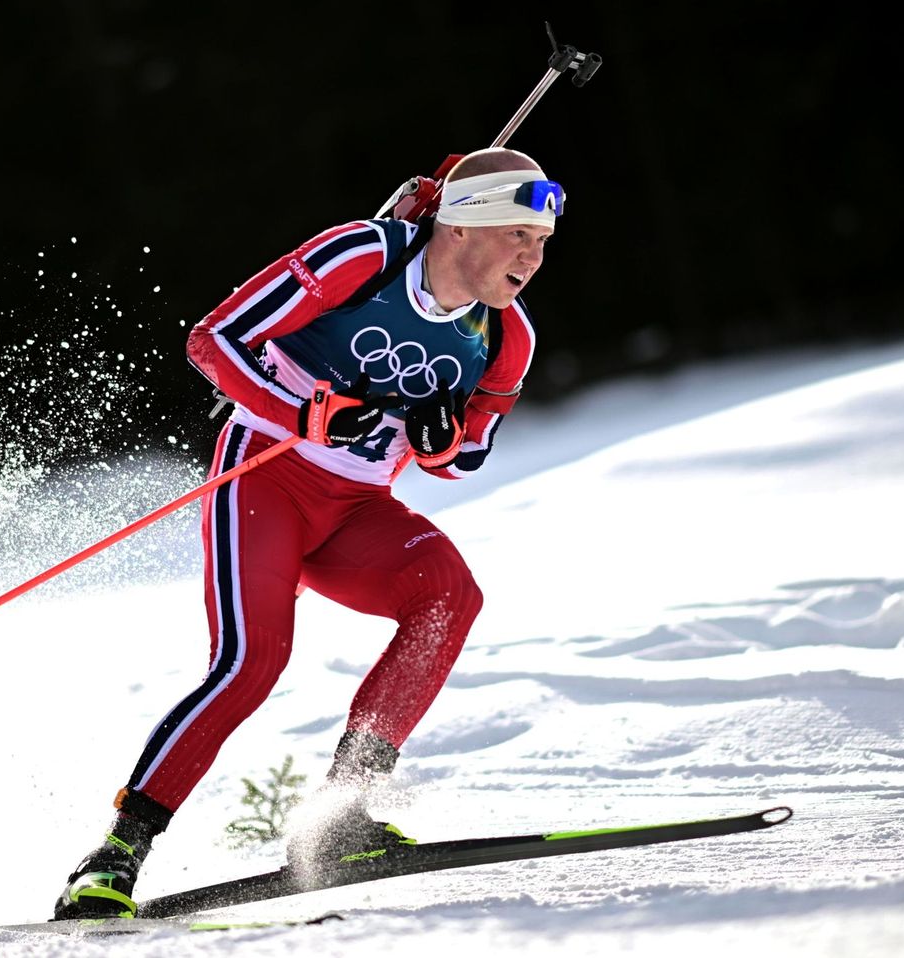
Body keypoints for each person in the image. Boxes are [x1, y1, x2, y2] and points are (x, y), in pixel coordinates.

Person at [52, 146, 560, 918]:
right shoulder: (364, 255)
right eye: (519, 234)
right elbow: (213, 341)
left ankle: (341, 819)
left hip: (356, 509)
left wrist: (439, 439)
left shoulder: (506, 337)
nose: (533, 256)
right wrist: (302, 414)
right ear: (460, 226)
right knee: (251, 664)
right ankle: (114, 856)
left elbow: (465, 460)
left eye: (543, 241)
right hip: (264, 478)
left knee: (450, 598)